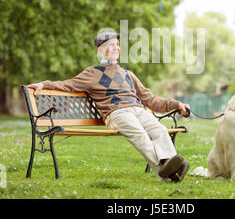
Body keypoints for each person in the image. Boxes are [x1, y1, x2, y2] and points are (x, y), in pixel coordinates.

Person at [28, 31, 190, 182]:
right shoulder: (92, 73)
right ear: (100, 50)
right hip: (116, 114)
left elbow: (150, 99)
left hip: (138, 110)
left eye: (117, 44)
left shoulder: (128, 74)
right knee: (140, 134)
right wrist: (44, 84)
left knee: (160, 130)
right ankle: (165, 171)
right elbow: (67, 85)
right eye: (111, 45)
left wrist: (176, 104)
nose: (116, 47)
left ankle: (171, 167)